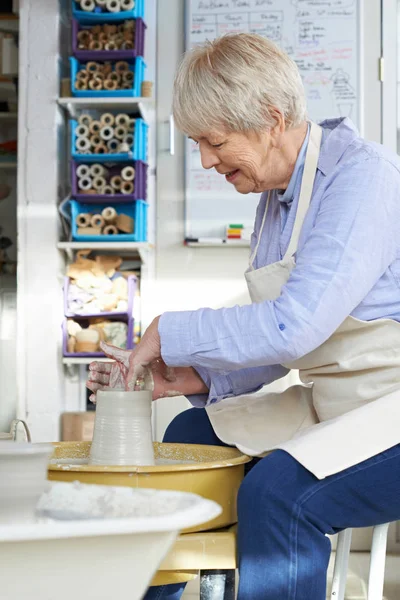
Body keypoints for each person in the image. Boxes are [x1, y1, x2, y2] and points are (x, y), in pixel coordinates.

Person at [87, 33, 400, 600]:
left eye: (214, 141)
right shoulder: (276, 200)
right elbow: (278, 343)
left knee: (278, 495)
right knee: (188, 442)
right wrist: (192, 377)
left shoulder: (364, 179)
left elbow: (295, 324)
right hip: (339, 404)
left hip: (392, 411)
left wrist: (173, 332)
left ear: (270, 119)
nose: (206, 160)